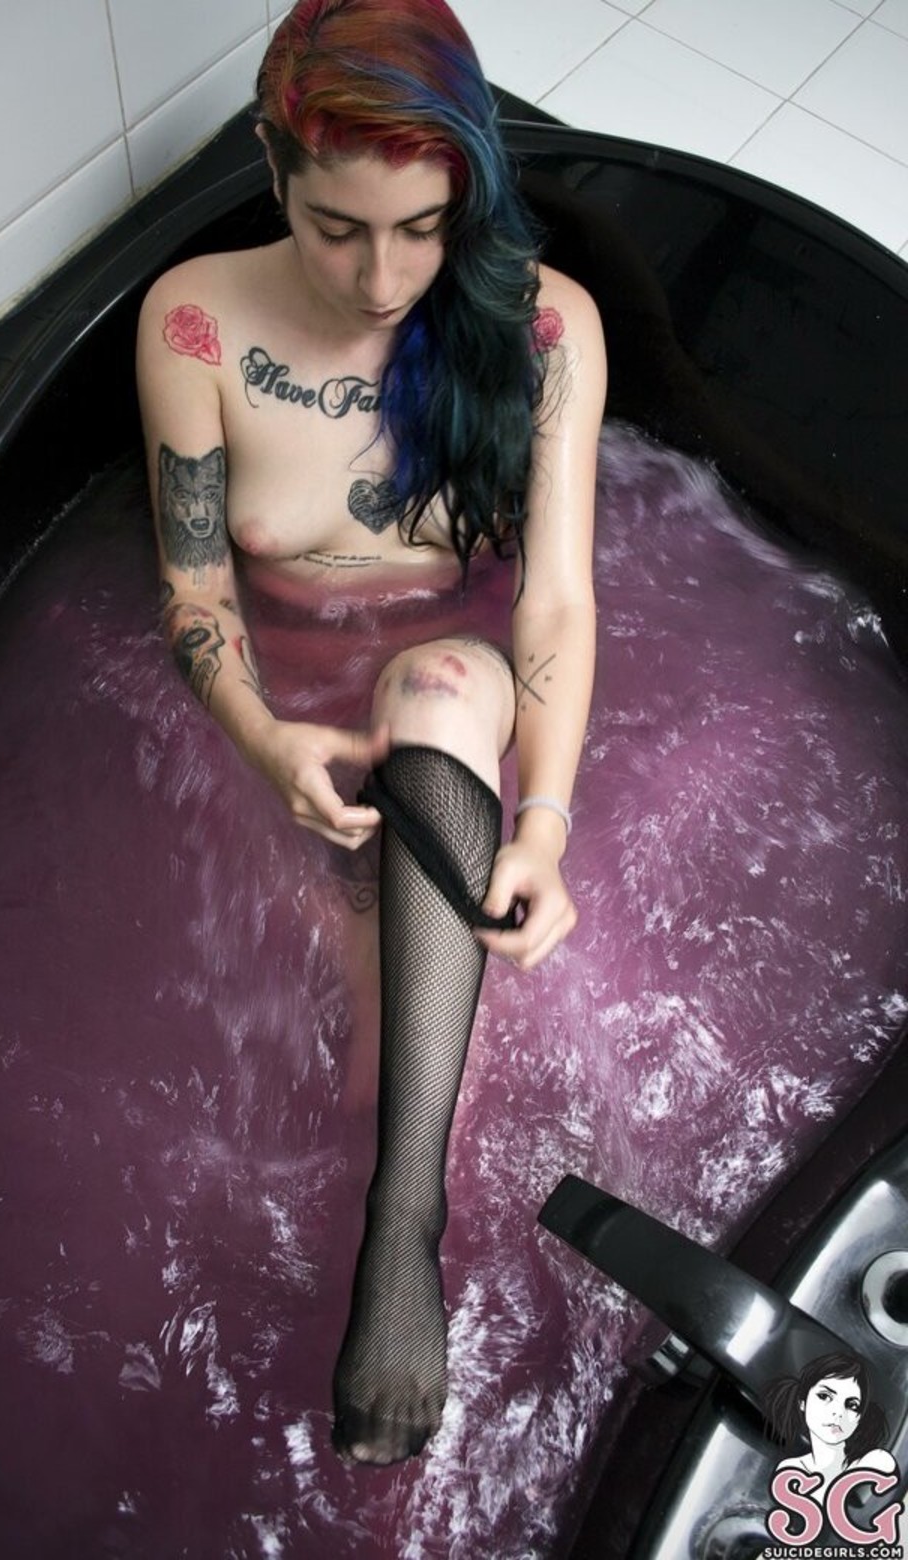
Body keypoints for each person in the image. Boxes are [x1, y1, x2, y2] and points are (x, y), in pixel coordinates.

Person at [136, 0, 605, 1466]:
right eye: (339, 227)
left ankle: (405, 1224)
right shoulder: (196, 324)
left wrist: (545, 823)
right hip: (289, 739)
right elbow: (193, 589)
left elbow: (555, 601)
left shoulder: (540, 328)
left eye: (421, 229)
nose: (384, 277)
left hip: (458, 709)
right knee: (347, 1069)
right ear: (273, 166)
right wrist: (263, 738)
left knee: (443, 687)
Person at [765, 1353, 895, 1502]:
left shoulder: (875, 1463)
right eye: (825, 1396)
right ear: (802, 1402)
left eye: (852, 1405)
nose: (838, 1412)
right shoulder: (790, 1467)